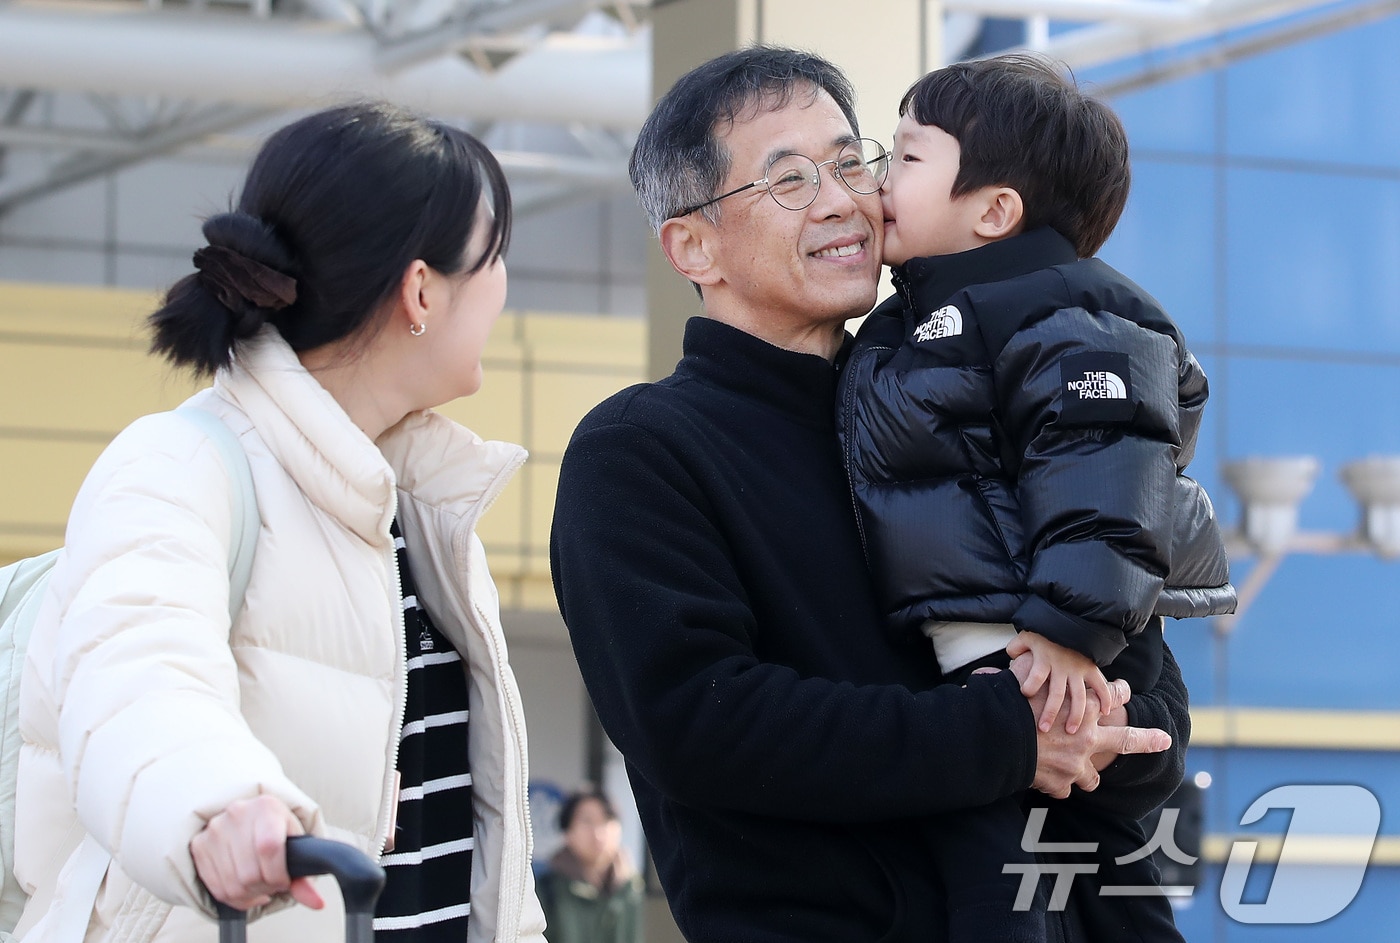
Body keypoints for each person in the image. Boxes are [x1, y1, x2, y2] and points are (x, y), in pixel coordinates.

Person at [550, 45, 1186, 943]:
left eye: (854, 161)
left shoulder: (971, 394)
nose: (845, 199)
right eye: (791, 179)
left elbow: (1137, 658)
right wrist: (1008, 736)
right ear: (692, 243)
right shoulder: (640, 451)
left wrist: (1107, 728)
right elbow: (699, 722)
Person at [13, 102, 547, 943]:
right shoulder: (178, 465)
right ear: (420, 291)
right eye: (493, 259)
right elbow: (137, 679)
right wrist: (222, 805)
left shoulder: (423, 508)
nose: (506, 285)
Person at [837, 54, 1236, 942]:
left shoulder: (1063, 312)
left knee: (1036, 882)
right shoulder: (918, 319)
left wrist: (1067, 627)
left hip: (1062, 647)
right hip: (1004, 656)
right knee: (1048, 873)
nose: (876, 178)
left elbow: (1105, 470)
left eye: (905, 157)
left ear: (993, 210)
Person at [535, 789, 643, 943]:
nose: (598, 832)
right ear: (567, 831)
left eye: (606, 820)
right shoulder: (547, 888)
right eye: (587, 821)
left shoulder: (632, 887)